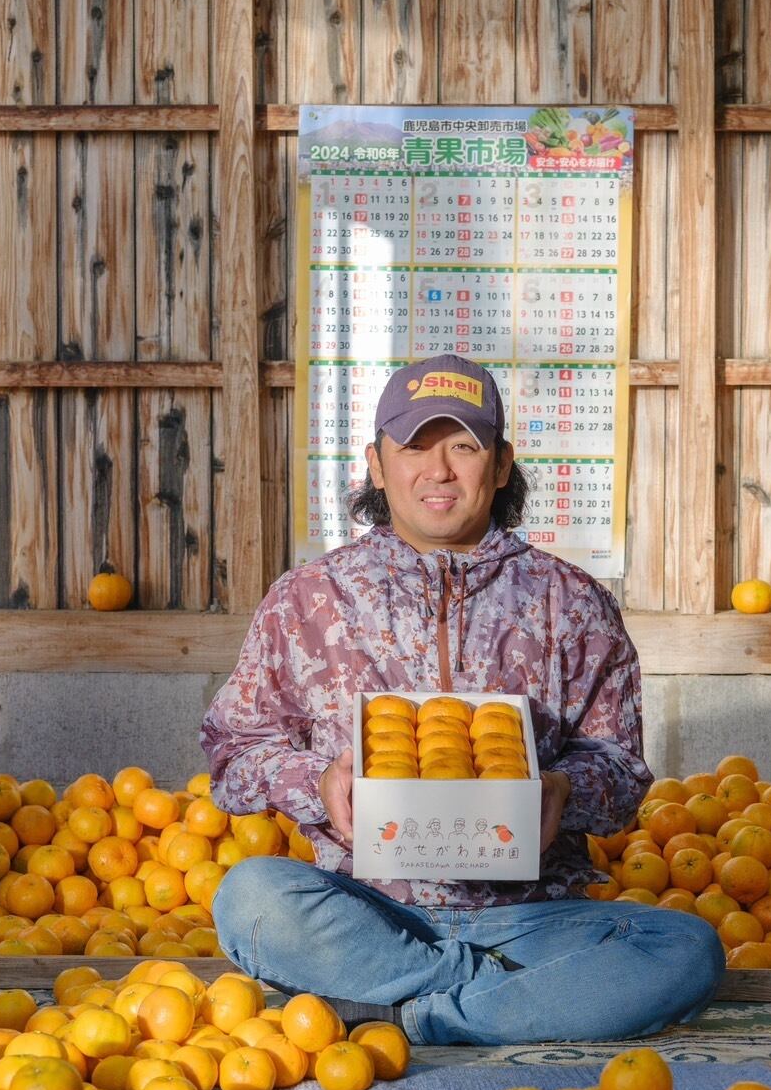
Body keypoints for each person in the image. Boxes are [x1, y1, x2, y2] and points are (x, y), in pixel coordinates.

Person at [200, 354, 722, 1045]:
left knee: (687, 949)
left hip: (533, 917)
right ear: (377, 466)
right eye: (414, 447)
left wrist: (562, 789)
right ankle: (501, 1001)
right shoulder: (309, 599)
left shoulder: (571, 603)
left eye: (464, 447)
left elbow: (623, 773)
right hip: (369, 910)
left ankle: (414, 1009)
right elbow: (232, 753)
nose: (438, 470)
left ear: (501, 465)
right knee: (252, 899)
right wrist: (315, 781)